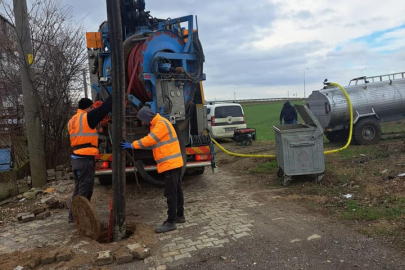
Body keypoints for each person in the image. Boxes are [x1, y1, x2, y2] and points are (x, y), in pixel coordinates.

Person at [120, 106, 185, 234]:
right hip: (174, 163)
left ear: (146, 118)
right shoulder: (159, 123)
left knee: (170, 193)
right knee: (177, 190)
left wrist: (132, 144)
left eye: (142, 120)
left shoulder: (160, 124)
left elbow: (150, 140)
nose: (142, 123)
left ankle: (170, 222)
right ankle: (180, 215)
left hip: (170, 163)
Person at [67, 95, 112, 222]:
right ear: (87, 108)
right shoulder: (87, 117)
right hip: (84, 159)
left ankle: (73, 216)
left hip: (76, 158)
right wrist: (114, 93)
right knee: (85, 190)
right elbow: (104, 109)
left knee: (78, 188)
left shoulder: (72, 120)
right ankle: (82, 218)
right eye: (92, 107)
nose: (93, 109)